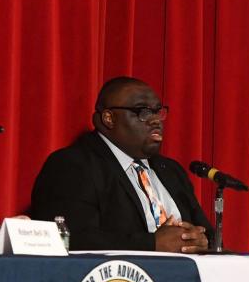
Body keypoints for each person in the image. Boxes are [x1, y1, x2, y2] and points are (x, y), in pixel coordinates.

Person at [30, 76, 212, 252]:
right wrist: (150, 244)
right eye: (142, 112)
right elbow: (70, 238)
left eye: (157, 111)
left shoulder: (172, 171)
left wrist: (200, 241)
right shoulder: (73, 165)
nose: (156, 120)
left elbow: (207, 234)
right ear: (109, 118)